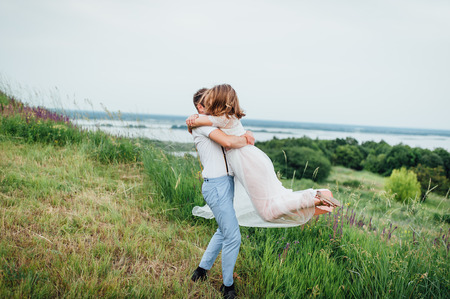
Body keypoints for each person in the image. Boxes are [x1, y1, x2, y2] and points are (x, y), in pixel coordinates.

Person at [187, 84, 340, 228]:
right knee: (273, 204)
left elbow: (200, 122)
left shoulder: (220, 118)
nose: (207, 104)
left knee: (268, 212)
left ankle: (316, 197)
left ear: (219, 102)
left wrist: (192, 119)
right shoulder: (228, 117)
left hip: (246, 162)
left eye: (210, 100)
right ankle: (318, 198)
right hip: (252, 159)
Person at [189, 88, 255, 299]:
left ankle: (200, 271)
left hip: (226, 183)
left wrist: (244, 134)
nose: (214, 109)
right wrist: (246, 138)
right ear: (200, 107)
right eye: (208, 105)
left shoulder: (211, 122)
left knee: (223, 230)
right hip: (216, 186)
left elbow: (231, 131)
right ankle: (228, 287)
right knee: (233, 236)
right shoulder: (200, 125)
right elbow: (228, 142)